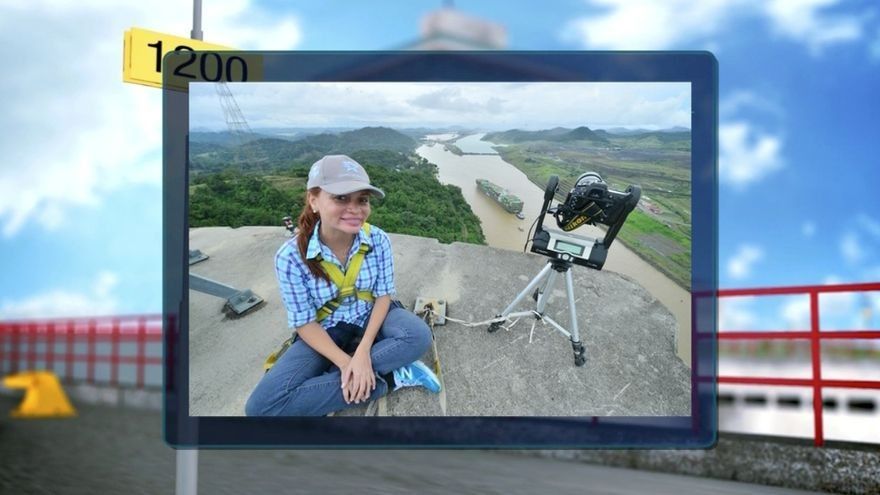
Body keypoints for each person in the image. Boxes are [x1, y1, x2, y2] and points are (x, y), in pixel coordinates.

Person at [245, 155, 441, 416]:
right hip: (326, 329)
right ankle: (391, 378)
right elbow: (304, 322)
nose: (355, 208)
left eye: (362, 200)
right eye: (341, 198)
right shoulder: (290, 257)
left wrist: (363, 351)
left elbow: (383, 295)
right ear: (313, 200)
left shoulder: (377, 239)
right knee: (261, 408)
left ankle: (336, 382)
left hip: (372, 314)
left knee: (417, 335)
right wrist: (345, 362)